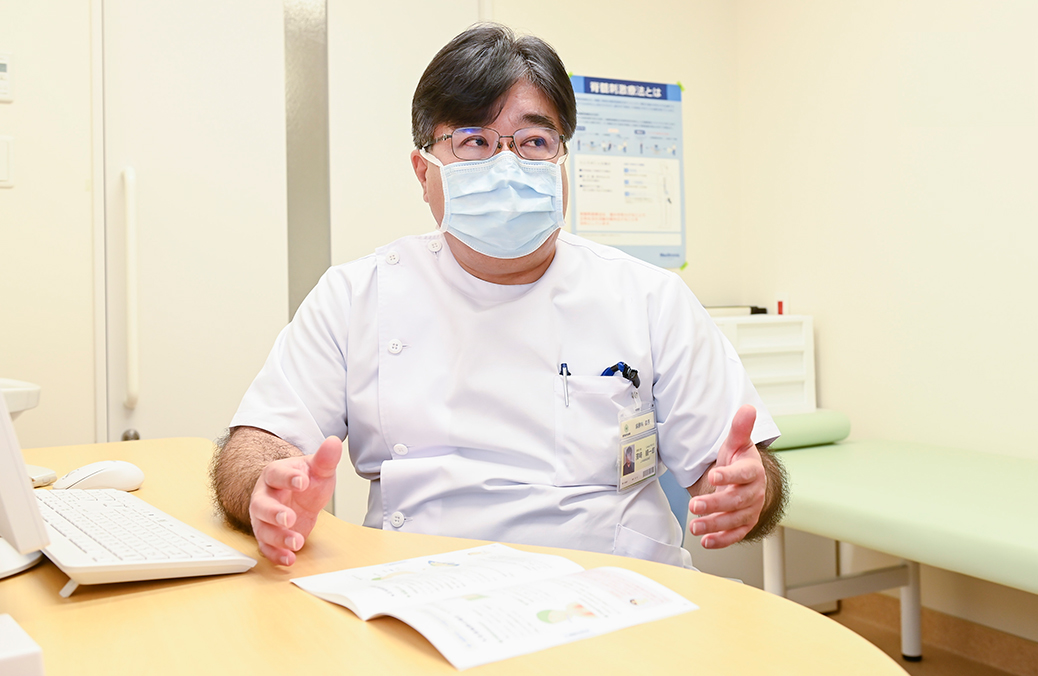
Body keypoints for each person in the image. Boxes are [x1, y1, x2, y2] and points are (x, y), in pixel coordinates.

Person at [211, 23, 787, 570]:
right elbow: (257, 444)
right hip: (421, 589)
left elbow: (739, 468)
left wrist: (749, 489)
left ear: (563, 162)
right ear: (423, 171)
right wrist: (266, 485)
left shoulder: (649, 298)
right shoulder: (356, 296)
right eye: (475, 141)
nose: (507, 165)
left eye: (535, 141)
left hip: (620, 594)